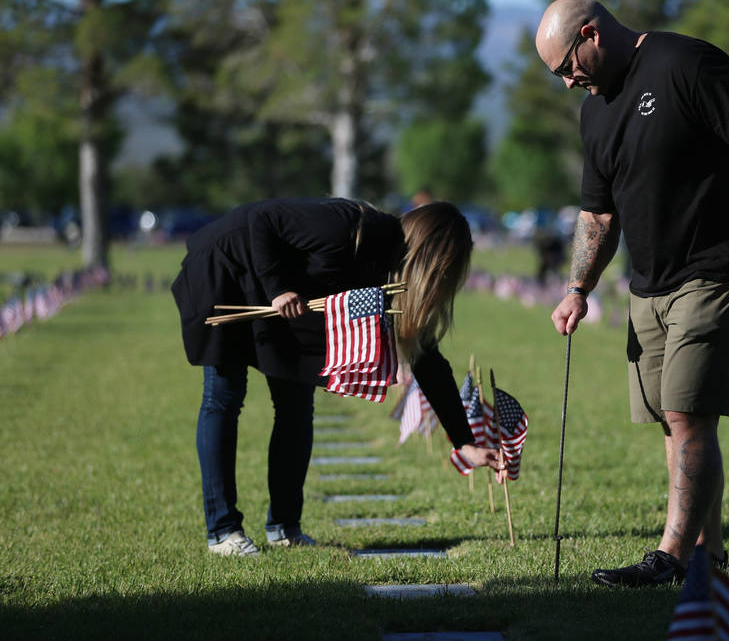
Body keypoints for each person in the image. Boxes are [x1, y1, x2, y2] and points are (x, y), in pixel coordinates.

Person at [535, 0, 729, 587]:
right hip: (646, 288)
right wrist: (577, 287)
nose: (569, 82)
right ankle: (707, 555)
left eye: (567, 67)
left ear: (591, 34)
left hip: (716, 269)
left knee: (686, 412)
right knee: (676, 424)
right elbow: (597, 215)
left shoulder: (685, 63)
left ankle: (670, 557)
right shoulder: (595, 113)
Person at [172, 198, 503, 556]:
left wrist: (464, 442)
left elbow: (426, 358)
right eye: (442, 273)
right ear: (429, 256)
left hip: (283, 294)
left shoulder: (389, 270)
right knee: (224, 395)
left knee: (295, 405)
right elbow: (263, 218)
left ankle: (284, 527)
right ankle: (222, 531)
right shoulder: (346, 227)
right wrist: (276, 287)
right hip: (225, 270)